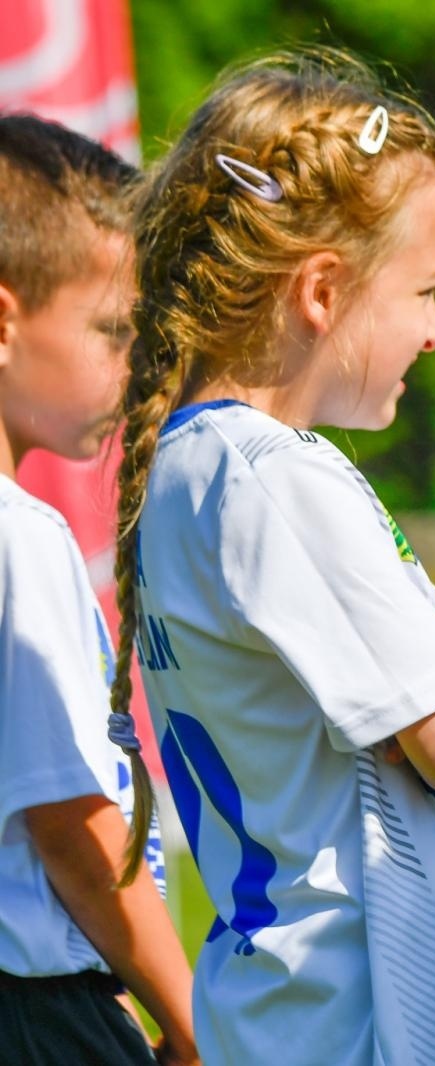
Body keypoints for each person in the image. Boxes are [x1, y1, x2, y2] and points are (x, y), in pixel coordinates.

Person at [109, 52, 435, 1065]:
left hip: (289, 1010)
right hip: (361, 1019)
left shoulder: (192, 465)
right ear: (321, 291)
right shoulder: (273, 476)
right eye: (426, 291)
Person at [0, 114, 197, 1065]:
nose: (136, 367)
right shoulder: (20, 539)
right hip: (40, 1013)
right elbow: (70, 820)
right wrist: (193, 1016)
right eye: (114, 330)